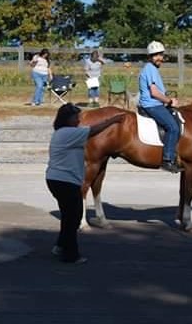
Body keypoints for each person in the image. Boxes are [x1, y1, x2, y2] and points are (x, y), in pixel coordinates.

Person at [46, 103, 124, 264]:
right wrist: (113, 120)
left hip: (58, 179)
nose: (79, 120)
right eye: (76, 117)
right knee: (73, 218)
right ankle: (71, 255)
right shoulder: (69, 133)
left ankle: (60, 246)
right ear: (67, 119)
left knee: (68, 217)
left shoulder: (61, 132)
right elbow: (93, 130)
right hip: (64, 181)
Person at [138, 41, 182, 173]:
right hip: (151, 105)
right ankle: (167, 160)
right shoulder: (150, 69)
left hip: (156, 104)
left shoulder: (152, 69)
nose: (159, 58)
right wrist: (169, 101)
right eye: (155, 55)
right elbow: (154, 92)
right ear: (150, 57)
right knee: (173, 127)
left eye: (160, 55)